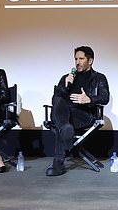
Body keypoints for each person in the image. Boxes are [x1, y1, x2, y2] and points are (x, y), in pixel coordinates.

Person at [46, 46, 110, 176]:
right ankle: (65, 128)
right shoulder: (66, 77)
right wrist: (65, 85)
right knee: (59, 104)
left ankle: (58, 164)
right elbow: (55, 99)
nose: (77, 62)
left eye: (81, 59)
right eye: (76, 59)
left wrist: (88, 99)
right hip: (63, 114)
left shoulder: (99, 78)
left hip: (83, 115)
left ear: (90, 61)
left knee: (61, 124)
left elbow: (105, 97)